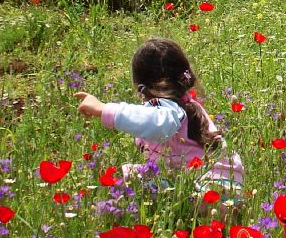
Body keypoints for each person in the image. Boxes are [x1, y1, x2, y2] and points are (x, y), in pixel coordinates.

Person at [75, 38, 244, 209]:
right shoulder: (186, 105)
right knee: (134, 174)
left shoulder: (167, 108)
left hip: (210, 190)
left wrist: (104, 109)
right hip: (227, 186)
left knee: (133, 184)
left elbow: (159, 125)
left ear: (140, 86)